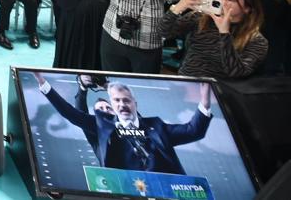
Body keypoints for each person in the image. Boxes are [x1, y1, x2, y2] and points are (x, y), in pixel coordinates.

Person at [33, 72, 212, 176]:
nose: (106, 111)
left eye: (108, 107)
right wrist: (48, 84)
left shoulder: (154, 126)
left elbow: (193, 130)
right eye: (100, 110)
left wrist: (205, 100)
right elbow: (73, 113)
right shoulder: (100, 130)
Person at [161, 0, 268, 79]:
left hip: (220, 88)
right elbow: (163, 32)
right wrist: (177, 9)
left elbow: (235, 72)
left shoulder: (257, 41)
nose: (221, 3)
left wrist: (224, 33)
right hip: (188, 82)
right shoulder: (199, 17)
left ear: (247, 8)